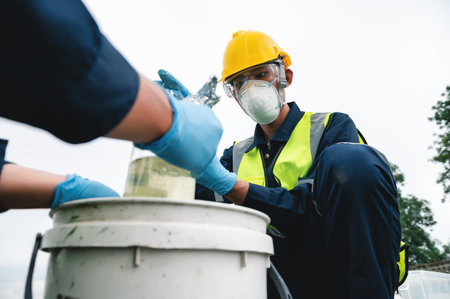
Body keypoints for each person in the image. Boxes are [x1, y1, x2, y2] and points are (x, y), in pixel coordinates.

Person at [160, 30, 402, 299]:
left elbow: (308, 211)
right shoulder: (235, 156)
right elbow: (186, 203)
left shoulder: (330, 129)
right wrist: (181, 132)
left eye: (260, 74)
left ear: (285, 76)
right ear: (233, 94)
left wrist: (233, 186)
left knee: (354, 161)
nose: (250, 88)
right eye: (239, 82)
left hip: (337, 278)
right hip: (269, 283)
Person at [0, 1, 234, 211]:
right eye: (237, 83)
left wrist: (56, 189)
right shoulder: (235, 155)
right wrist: (165, 118)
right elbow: (36, 26)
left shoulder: (233, 155)